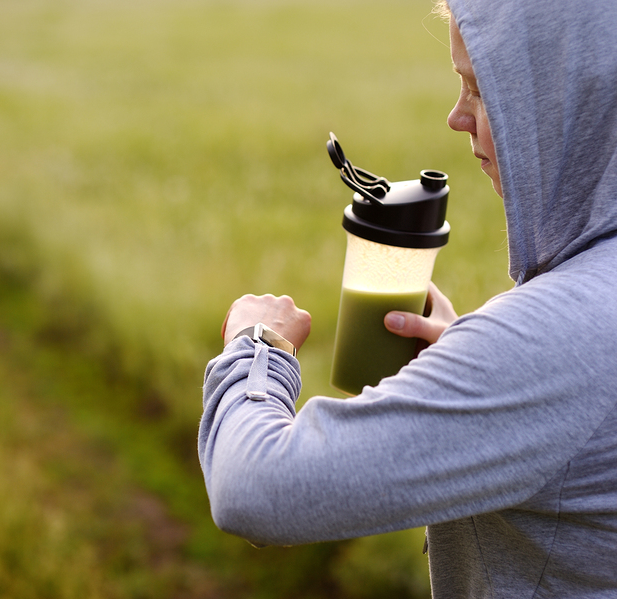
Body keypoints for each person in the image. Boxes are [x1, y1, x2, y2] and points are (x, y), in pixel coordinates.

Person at [198, 0, 617, 595]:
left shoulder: (561, 337)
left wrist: (256, 346)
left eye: (481, 90)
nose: (456, 117)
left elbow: (256, 489)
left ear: (565, 103)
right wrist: (475, 365)